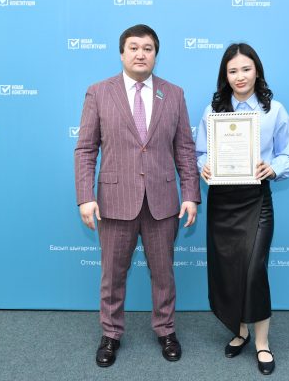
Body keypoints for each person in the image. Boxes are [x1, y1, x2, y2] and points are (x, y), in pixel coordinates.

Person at [75, 24, 201, 367]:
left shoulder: (173, 94)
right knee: (112, 275)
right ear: (122, 53)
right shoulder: (98, 93)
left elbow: (185, 149)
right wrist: (85, 196)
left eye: (148, 48)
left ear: (156, 55)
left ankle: (166, 330)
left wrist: (190, 193)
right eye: (133, 47)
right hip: (115, 201)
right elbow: (85, 149)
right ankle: (111, 334)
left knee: (164, 274)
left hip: (162, 201)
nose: (140, 54)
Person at [195, 43, 289, 375]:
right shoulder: (213, 111)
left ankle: (262, 342)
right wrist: (204, 166)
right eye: (233, 70)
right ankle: (240, 332)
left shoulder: (274, 110)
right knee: (228, 270)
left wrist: (273, 168)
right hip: (222, 201)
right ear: (225, 75)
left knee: (254, 271)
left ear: (257, 71)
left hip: (256, 200)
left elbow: (287, 154)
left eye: (246, 69)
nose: (240, 76)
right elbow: (200, 152)